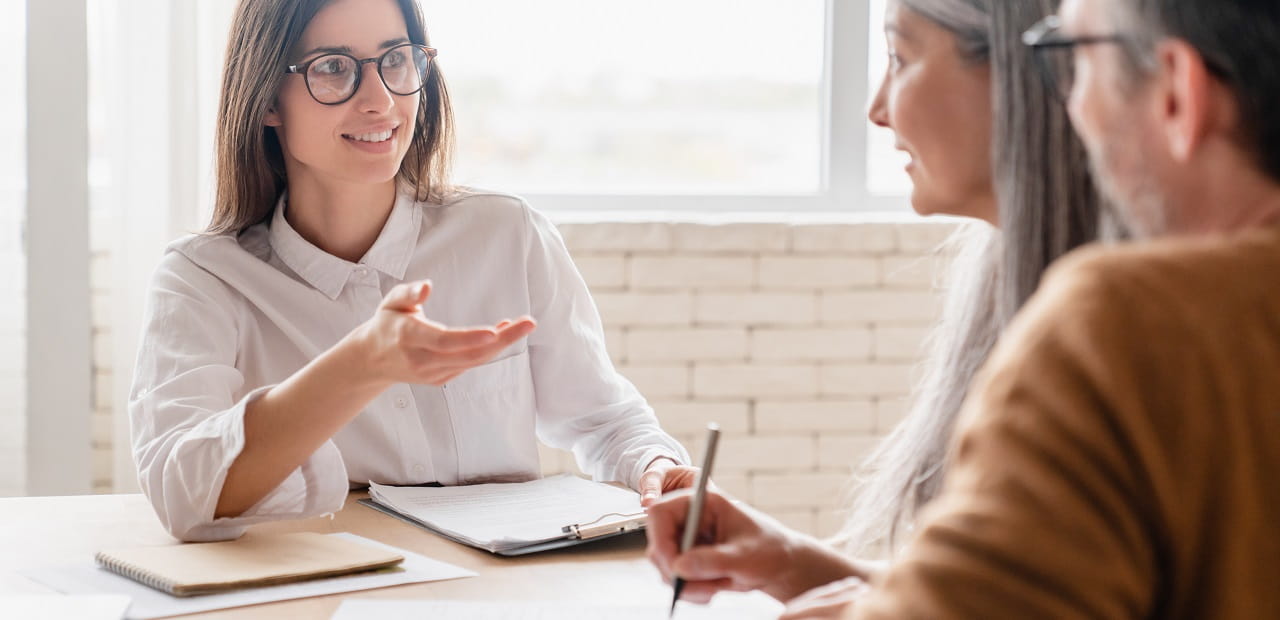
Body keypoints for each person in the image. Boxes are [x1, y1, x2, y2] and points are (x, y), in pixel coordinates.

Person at [649, 0, 1280, 617]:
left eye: (1073, 57)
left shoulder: (1125, 325)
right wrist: (796, 564)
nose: (1067, 99)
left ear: (1177, 92)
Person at [129, 0, 692, 542]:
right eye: (333, 68)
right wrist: (360, 364)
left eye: (396, 59)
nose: (380, 100)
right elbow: (183, 494)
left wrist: (655, 464)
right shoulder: (203, 279)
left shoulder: (507, 234)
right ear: (267, 98)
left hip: (495, 597)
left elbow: (605, 420)